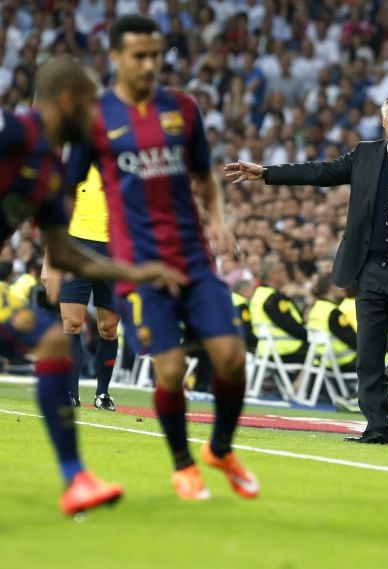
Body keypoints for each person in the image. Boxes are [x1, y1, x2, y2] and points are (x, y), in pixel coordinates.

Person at [66, 15, 258, 501]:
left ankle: (220, 448)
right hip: (137, 268)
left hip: (193, 259)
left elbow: (203, 174)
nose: (150, 64)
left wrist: (217, 219)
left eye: (156, 54)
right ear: (115, 57)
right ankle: (183, 465)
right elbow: (64, 187)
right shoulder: (94, 117)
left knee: (232, 358)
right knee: (169, 369)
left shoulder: (183, 109)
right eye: (139, 56)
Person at [226, 89, 388, 447]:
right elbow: (321, 171)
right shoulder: (365, 154)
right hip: (369, 269)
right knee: (368, 351)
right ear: (383, 121)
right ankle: (378, 427)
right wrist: (267, 173)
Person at [0, 55, 185, 515]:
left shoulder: (51, 172)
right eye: (90, 108)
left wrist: (136, 273)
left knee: (50, 343)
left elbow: (63, 254)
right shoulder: (14, 132)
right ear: (67, 103)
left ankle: (75, 478)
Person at [42, 166, 119, 411]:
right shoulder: (73, 166)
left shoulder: (120, 164)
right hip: (74, 247)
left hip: (113, 251)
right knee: (72, 324)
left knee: (108, 328)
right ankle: (70, 393)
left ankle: (103, 393)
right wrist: (49, 261)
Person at [249, 255, 308, 367]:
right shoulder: (274, 298)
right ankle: (301, 384)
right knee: (322, 353)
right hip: (285, 349)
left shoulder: (259, 293)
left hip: (266, 350)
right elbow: (290, 325)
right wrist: (308, 336)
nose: (285, 274)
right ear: (272, 275)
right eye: (281, 271)